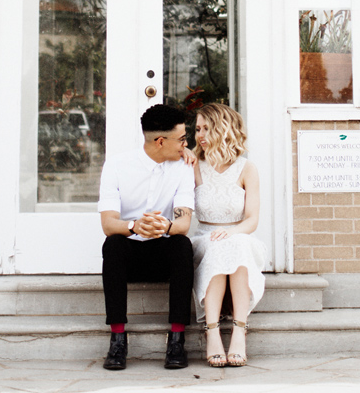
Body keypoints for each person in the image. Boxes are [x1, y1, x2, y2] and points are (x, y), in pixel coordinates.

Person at [97, 103, 195, 371]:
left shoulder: (183, 167)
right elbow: (108, 224)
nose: (186, 145)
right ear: (160, 141)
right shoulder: (117, 166)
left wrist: (164, 227)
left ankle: (176, 339)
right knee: (113, 244)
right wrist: (135, 227)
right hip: (130, 252)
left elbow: (184, 223)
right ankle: (117, 339)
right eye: (183, 139)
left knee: (182, 245)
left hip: (163, 251)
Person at [190, 103, 265, 368]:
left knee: (236, 244)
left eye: (207, 128)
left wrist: (231, 232)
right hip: (204, 238)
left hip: (239, 234)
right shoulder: (193, 165)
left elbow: (252, 220)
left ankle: (238, 332)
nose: (200, 134)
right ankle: (212, 332)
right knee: (220, 246)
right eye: (198, 128)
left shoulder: (247, 169)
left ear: (224, 129)